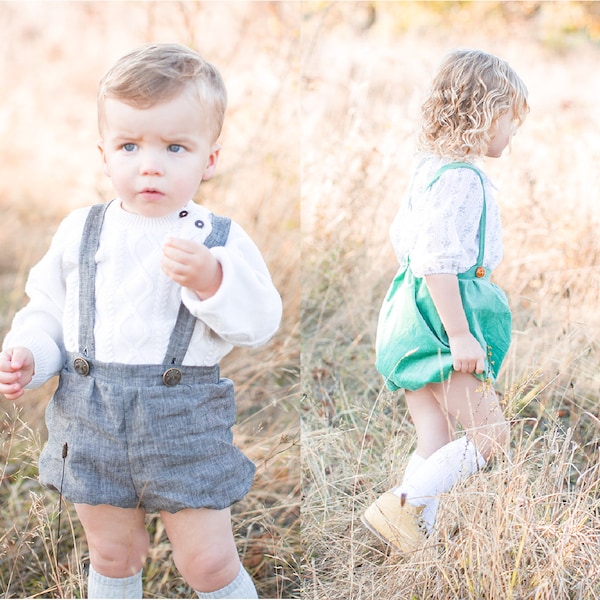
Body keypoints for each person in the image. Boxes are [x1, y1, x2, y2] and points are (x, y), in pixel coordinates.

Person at [0, 43, 282, 599]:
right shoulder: (81, 230)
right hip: (91, 417)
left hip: (183, 423)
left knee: (206, 561)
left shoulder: (217, 239)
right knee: (113, 551)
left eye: (175, 146)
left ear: (210, 159)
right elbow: (51, 310)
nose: (149, 163)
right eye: (130, 145)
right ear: (104, 154)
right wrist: (32, 352)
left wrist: (212, 281)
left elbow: (261, 322)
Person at [362, 49, 529, 551]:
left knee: (433, 437)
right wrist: (459, 333)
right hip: (440, 318)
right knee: (491, 436)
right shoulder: (461, 179)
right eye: (509, 120)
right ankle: (400, 504)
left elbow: (411, 249)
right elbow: (436, 261)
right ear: (483, 114)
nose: (512, 133)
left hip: (411, 312)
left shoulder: (430, 167)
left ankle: (416, 536)